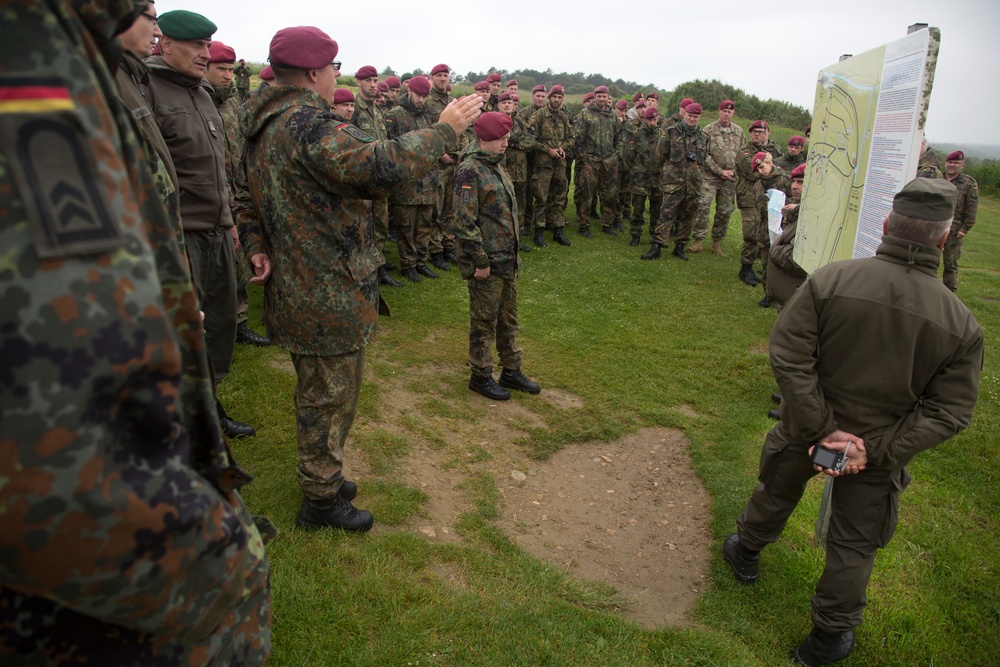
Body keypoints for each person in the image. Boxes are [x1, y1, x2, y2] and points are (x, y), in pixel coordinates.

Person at [0, 1, 271, 663]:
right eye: (148, 11)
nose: (149, 17)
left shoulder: (67, 56)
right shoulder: (31, 65)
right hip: (100, 597)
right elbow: (52, 459)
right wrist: (227, 562)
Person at [723, 178, 983, 667]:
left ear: (885, 226)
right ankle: (827, 638)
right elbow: (951, 410)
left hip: (809, 427)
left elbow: (788, 353)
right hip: (875, 450)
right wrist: (874, 450)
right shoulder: (960, 321)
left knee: (778, 488)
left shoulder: (831, 279)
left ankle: (746, 549)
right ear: (944, 240)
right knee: (853, 543)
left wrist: (823, 428)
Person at [234, 26, 482, 530]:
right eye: (333, 69)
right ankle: (320, 499)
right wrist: (444, 129)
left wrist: (256, 246)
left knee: (325, 389)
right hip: (325, 286)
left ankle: (323, 473)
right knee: (328, 395)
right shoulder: (307, 125)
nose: (335, 78)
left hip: (305, 281)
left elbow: (245, 196)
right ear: (312, 73)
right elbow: (379, 166)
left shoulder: (262, 124)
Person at [147, 9, 255, 438]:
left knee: (220, 323)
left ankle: (209, 405)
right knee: (187, 331)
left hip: (216, 229)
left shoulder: (204, 93)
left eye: (207, 46)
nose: (204, 54)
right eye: (196, 46)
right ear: (165, 44)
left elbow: (216, 166)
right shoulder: (147, 88)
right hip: (182, 233)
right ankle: (184, 419)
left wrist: (228, 219)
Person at [454, 112, 541, 401]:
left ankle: (511, 370)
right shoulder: (469, 170)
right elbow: (464, 222)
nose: (505, 144)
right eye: (499, 139)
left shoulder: (495, 165)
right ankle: (480, 375)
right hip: (487, 264)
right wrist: (479, 261)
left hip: (506, 260)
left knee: (508, 319)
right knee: (483, 322)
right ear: (482, 139)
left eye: (506, 138)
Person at [206, 40, 274, 348]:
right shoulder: (199, 100)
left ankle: (239, 321)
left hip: (235, 192)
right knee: (213, 266)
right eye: (220, 69)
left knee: (238, 262)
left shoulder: (234, 101)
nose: (227, 76)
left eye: (230, 70)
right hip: (207, 196)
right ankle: (213, 326)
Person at [385, 75, 441, 282]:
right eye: (418, 95)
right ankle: (408, 264)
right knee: (406, 226)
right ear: (409, 91)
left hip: (427, 179)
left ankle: (420, 261)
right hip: (406, 181)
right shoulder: (395, 115)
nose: (421, 100)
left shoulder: (426, 115)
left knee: (425, 224)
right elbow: (389, 147)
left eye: (425, 96)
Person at [641, 102, 711, 261]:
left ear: (699, 118)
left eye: (695, 117)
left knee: (688, 217)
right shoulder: (670, 133)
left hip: (693, 184)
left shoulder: (703, 137)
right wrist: (664, 176)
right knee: (666, 214)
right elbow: (659, 156)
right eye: (690, 116)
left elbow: (703, 161)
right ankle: (657, 245)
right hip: (673, 182)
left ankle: (680, 246)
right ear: (684, 115)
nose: (692, 119)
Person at [351, 65, 400, 287]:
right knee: (361, 227)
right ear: (358, 82)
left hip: (380, 178)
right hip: (360, 180)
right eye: (368, 80)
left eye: (375, 80)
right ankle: (362, 271)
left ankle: (379, 270)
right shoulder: (353, 110)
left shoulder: (378, 111)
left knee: (380, 225)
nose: (373, 84)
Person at [693, 99, 744, 255]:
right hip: (710, 176)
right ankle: (698, 240)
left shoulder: (739, 131)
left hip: (730, 179)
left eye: (729, 112)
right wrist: (719, 171)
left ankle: (716, 242)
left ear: (733, 113)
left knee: (725, 210)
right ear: (719, 111)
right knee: (702, 206)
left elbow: (743, 154)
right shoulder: (708, 130)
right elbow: (703, 154)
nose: (726, 114)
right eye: (724, 111)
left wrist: (734, 171)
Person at [735, 120, 782, 286]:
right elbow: (754, 173)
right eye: (754, 131)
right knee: (751, 233)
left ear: (767, 133)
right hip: (748, 197)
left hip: (769, 199)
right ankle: (746, 267)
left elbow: (781, 171)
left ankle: (765, 266)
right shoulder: (744, 153)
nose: (757, 134)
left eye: (761, 131)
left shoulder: (774, 150)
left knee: (766, 232)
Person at [527, 85, 573, 247]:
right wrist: (548, 150)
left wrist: (563, 148)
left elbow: (571, 138)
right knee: (541, 197)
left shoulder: (564, 117)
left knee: (559, 198)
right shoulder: (538, 116)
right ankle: (539, 232)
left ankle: (558, 230)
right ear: (549, 98)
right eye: (554, 97)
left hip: (559, 164)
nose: (557, 100)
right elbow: (530, 139)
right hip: (543, 164)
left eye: (560, 98)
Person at [574, 86, 623, 236]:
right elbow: (578, 138)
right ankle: (584, 225)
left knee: (609, 195)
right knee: (587, 195)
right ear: (595, 97)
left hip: (609, 162)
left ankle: (607, 224)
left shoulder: (612, 115)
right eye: (599, 96)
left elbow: (619, 136)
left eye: (604, 96)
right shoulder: (585, 114)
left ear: (608, 97)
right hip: (591, 161)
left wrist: (616, 155)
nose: (602, 99)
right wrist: (585, 158)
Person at [765, 163, 808, 311]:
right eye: (794, 181)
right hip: (789, 295)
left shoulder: (811, 218)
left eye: (801, 182)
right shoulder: (799, 210)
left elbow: (797, 259)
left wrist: (775, 249)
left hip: (796, 298)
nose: (794, 186)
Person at [751, 152, 791, 307]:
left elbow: (794, 199)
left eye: (762, 167)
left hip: (782, 227)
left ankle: (784, 294)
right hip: (764, 228)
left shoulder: (784, 179)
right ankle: (768, 294)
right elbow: (758, 207)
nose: (760, 172)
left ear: (770, 163)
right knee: (766, 263)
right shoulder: (758, 184)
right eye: (757, 170)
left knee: (782, 263)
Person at [625, 107, 664, 246]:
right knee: (638, 208)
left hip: (657, 178)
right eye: (649, 120)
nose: (652, 122)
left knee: (656, 210)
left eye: (654, 119)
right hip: (640, 178)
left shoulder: (662, 135)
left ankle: (654, 234)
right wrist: (637, 170)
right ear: (644, 119)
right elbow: (628, 156)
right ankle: (635, 234)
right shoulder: (637, 134)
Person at [941, 150, 979, 292]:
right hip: (935, 225)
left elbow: (972, 208)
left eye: (956, 163)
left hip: (954, 229)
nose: (952, 165)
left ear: (962, 165)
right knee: (929, 259)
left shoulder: (968, 183)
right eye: (950, 162)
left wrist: (965, 229)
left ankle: (948, 293)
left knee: (950, 263)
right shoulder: (939, 178)